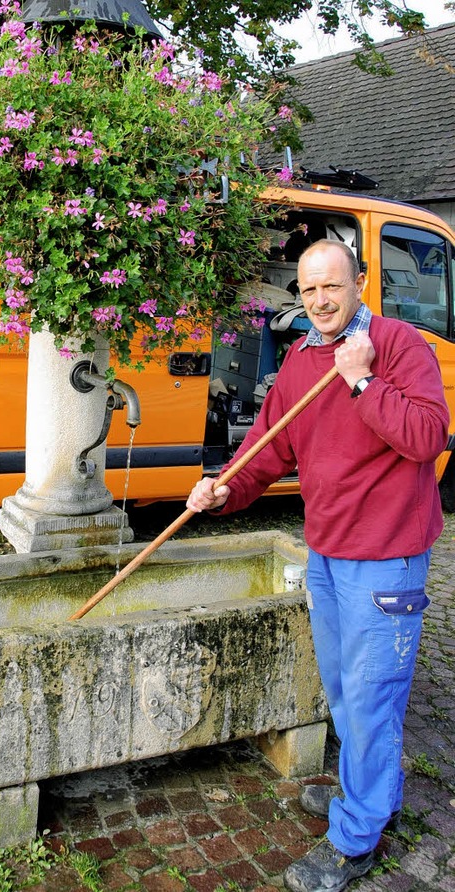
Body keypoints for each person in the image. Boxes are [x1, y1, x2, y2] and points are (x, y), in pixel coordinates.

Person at [187, 239, 450, 892]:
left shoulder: (398, 346)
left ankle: (356, 835)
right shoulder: (303, 363)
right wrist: (223, 487)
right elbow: (265, 452)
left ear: (359, 283)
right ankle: (367, 792)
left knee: (371, 698)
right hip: (328, 556)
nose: (321, 301)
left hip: (387, 560)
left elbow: (426, 437)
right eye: (308, 291)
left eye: (332, 286)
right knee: (342, 688)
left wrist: (361, 379)